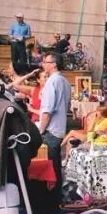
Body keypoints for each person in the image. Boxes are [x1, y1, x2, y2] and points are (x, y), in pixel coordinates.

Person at [39, 52, 71, 205]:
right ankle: (56, 198)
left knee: (50, 168)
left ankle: (51, 201)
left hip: (51, 130)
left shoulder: (52, 81)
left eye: (46, 62)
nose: (43, 64)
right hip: (59, 128)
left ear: (54, 64)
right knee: (55, 165)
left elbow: (47, 111)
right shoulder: (64, 81)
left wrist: (40, 130)